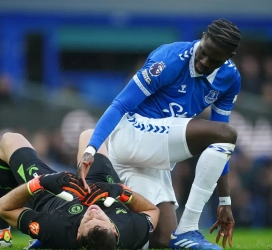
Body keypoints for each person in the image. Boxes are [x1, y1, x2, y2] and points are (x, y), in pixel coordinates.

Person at [77, 18, 241, 249]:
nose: (204, 61)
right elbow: (120, 104)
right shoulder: (169, 59)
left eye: (214, 60)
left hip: (153, 155)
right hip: (131, 135)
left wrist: (225, 201)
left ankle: (59, 234)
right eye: (204, 52)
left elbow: (220, 149)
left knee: (161, 238)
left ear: (228, 57)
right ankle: (190, 228)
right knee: (226, 133)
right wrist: (91, 148)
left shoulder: (230, 79)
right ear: (203, 36)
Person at [0, 132, 159, 249]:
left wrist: (40, 183)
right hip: (100, 186)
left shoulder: (57, 229)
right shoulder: (131, 230)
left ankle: (0, 235)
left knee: (9, 140)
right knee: (89, 135)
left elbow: (3, 207)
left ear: (78, 234)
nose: (93, 212)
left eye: (87, 220)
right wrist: (121, 191)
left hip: (51, 197)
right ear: (113, 229)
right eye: (100, 219)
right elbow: (152, 211)